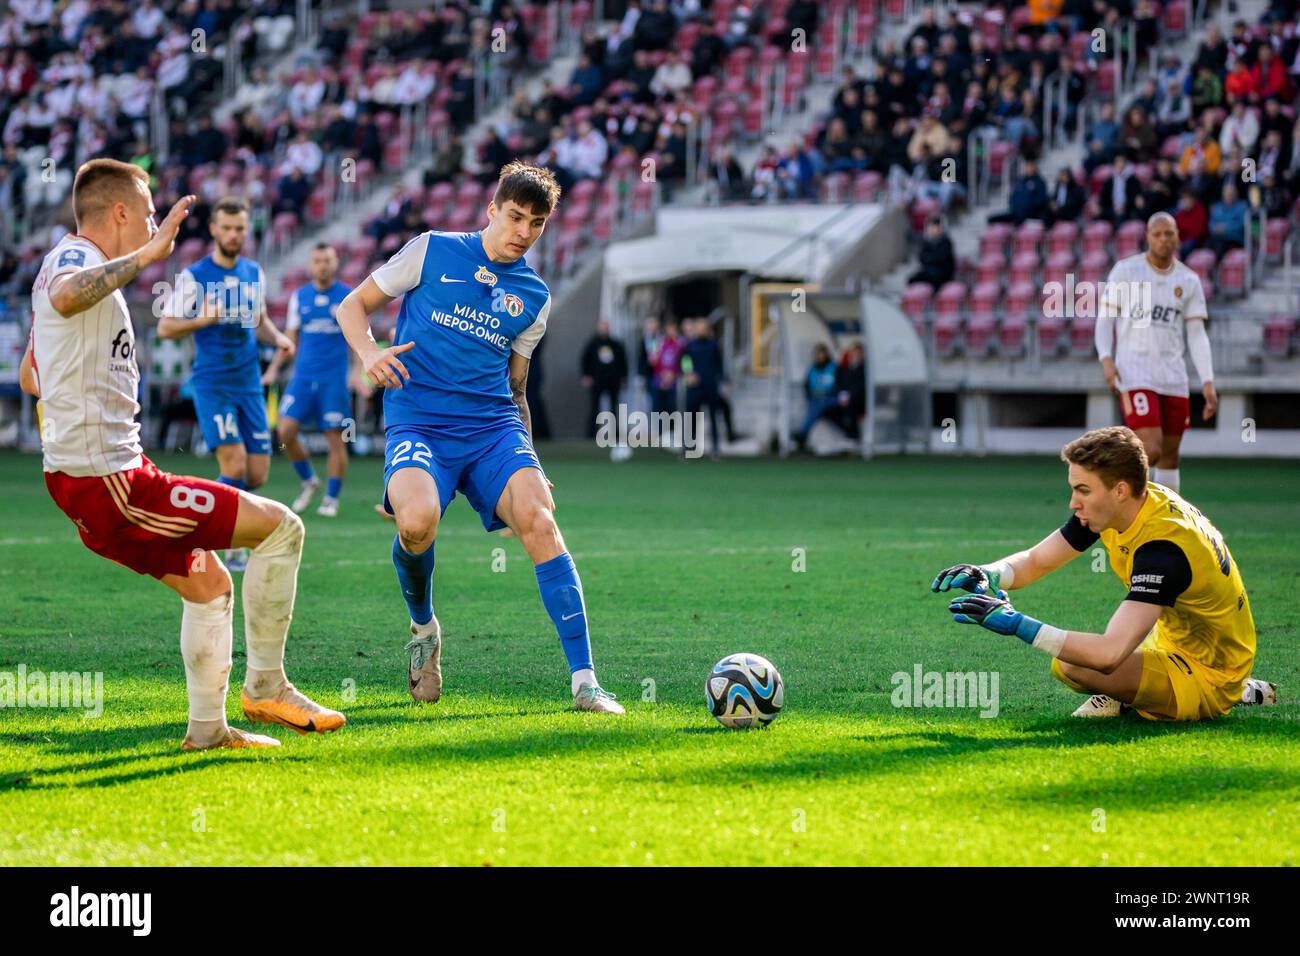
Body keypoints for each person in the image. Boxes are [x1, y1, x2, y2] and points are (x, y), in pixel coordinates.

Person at [19, 159, 343, 750]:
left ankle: (209, 731)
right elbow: (67, 299)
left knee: (211, 584)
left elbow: (30, 374)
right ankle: (267, 686)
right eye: (146, 213)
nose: (153, 224)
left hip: (92, 477)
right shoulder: (75, 261)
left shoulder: (64, 268)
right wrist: (147, 258)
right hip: (111, 480)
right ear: (118, 212)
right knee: (282, 529)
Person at [333, 161, 624, 714]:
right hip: (419, 421)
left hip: (492, 429)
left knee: (541, 522)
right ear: (491, 209)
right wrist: (369, 354)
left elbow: (517, 386)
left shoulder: (534, 298)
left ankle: (586, 683)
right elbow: (352, 306)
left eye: (536, 224)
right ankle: (424, 630)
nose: (523, 232)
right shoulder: (431, 251)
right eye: (515, 217)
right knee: (416, 523)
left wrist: (531, 461)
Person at [932, 426, 1275, 721]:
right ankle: (1150, 688)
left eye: (1083, 490)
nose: (1073, 502)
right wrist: (989, 573)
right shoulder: (1131, 503)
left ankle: (1230, 690)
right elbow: (1037, 560)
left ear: (1120, 489)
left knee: (1073, 666)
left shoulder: (1162, 550)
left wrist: (1016, 623)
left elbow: (1109, 654)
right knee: (1078, 659)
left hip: (1209, 671)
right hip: (1178, 639)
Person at [158, 196, 294, 571]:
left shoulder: (253, 272)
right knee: (233, 466)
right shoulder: (195, 276)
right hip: (214, 383)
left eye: (240, 228)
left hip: (249, 383)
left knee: (257, 474)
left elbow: (260, 319)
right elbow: (166, 326)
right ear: (214, 230)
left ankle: (210, 528)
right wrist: (203, 319)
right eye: (227, 228)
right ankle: (214, 541)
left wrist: (278, 337)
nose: (234, 234)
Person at [1095, 212, 1216, 494]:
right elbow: (1105, 319)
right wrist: (1106, 358)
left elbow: (1197, 334)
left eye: (1168, 233)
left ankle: (1165, 523)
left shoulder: (1188, 280)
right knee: (1151, 449)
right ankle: (1109, 494)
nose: (1163, 239)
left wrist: (1207, 380)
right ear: (1147, 237)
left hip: (1173, 375)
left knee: (1171, 456)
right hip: (1134, 371)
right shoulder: (1126, 271)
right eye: (1157, 233)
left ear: (1177, 237)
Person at [262, 242, 358, 517]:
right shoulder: (299, 297)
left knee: (334, 439)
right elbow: (290, 339)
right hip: (303, 378)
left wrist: (356, 373)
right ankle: (309, 480)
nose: (323, 265)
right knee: (285, 432)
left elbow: (357, 338)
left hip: (333, 380)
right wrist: (274, 369)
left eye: (327, 260)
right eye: (317, 260)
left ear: (336, 263)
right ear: (310, 265)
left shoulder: (348, 297)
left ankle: (331, 498)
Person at [681, 318, 728, 459]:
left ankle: (715, 448)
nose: (701, 330)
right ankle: (689, 448)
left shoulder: (713, 345)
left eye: (704, 327)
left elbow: (719, 365)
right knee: (691, 418)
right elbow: (684, 361)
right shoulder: (689, 345)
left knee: (714, 418)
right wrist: (689, 373)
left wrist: (724, 380)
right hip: (694, 388)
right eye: (699, 327)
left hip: (710, 386)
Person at [580, 318, 627, 439]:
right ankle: (591, 434)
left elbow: (623, 361)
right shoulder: (592, 344)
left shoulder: (616, 344)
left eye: (606, 326)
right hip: (597, 381)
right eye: (602, 326)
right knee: (594, 407)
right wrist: (586, 376)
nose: (604, 329)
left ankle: (614, 434)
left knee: (613, 408)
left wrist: (623, 377)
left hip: (613, 381)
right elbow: (584, 361)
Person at [795, 344, 840, 449]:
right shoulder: (811, 369)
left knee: (821, 403)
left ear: (826, 354)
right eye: (818, 354)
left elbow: (839, 385)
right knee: (813, 405)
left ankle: (803, 433)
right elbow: (806, 386)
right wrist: (811, 396)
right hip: (815, 399)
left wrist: (826, 394)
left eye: (822, 354)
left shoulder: (834, 368)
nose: (820, 356)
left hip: (831, 398)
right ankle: (803, 435)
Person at [907, 216, 955, 290]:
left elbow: (941, 258)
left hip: (943, 273)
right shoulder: (927, 242)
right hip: (928, 270)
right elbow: (922, 257)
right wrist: (930, 258)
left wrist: (930, 258)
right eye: (932, 228)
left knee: (935, 279)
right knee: (913, 280)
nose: (933, 230)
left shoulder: (945, 241)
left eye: (936, 227)